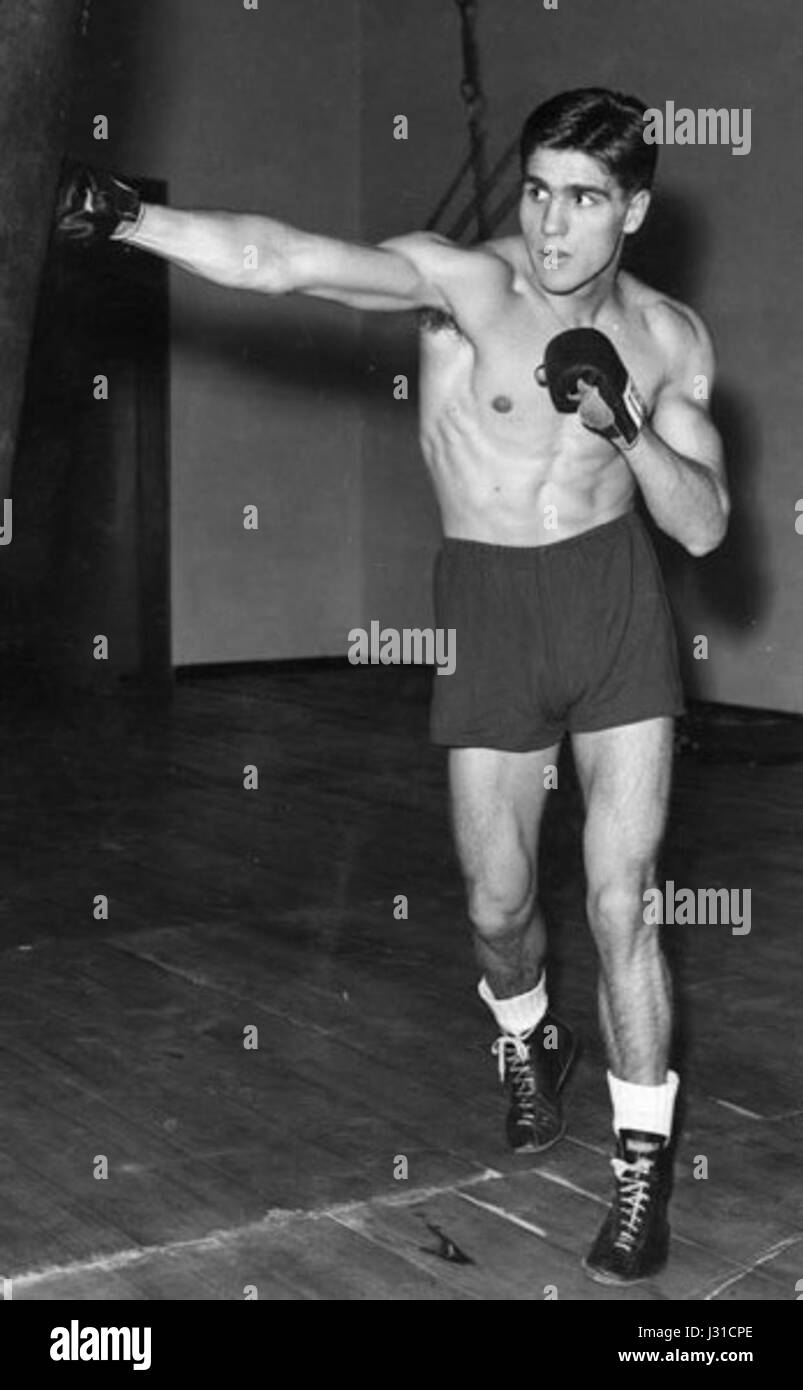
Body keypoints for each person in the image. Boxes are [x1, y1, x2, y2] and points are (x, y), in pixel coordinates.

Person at [54, 86, 729, 1285]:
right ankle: (527, 1037)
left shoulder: (670, 336)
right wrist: (120, 219)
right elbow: (280, 260)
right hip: (488, 606)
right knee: (495, 907)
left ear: (631, 207)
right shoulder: (467, 286)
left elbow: (705, 527)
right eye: (536, 192)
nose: (552, 224)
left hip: (614, 605)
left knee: (620, 898)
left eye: (582, 200)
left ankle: (638, 1170)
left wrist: (627, 427)